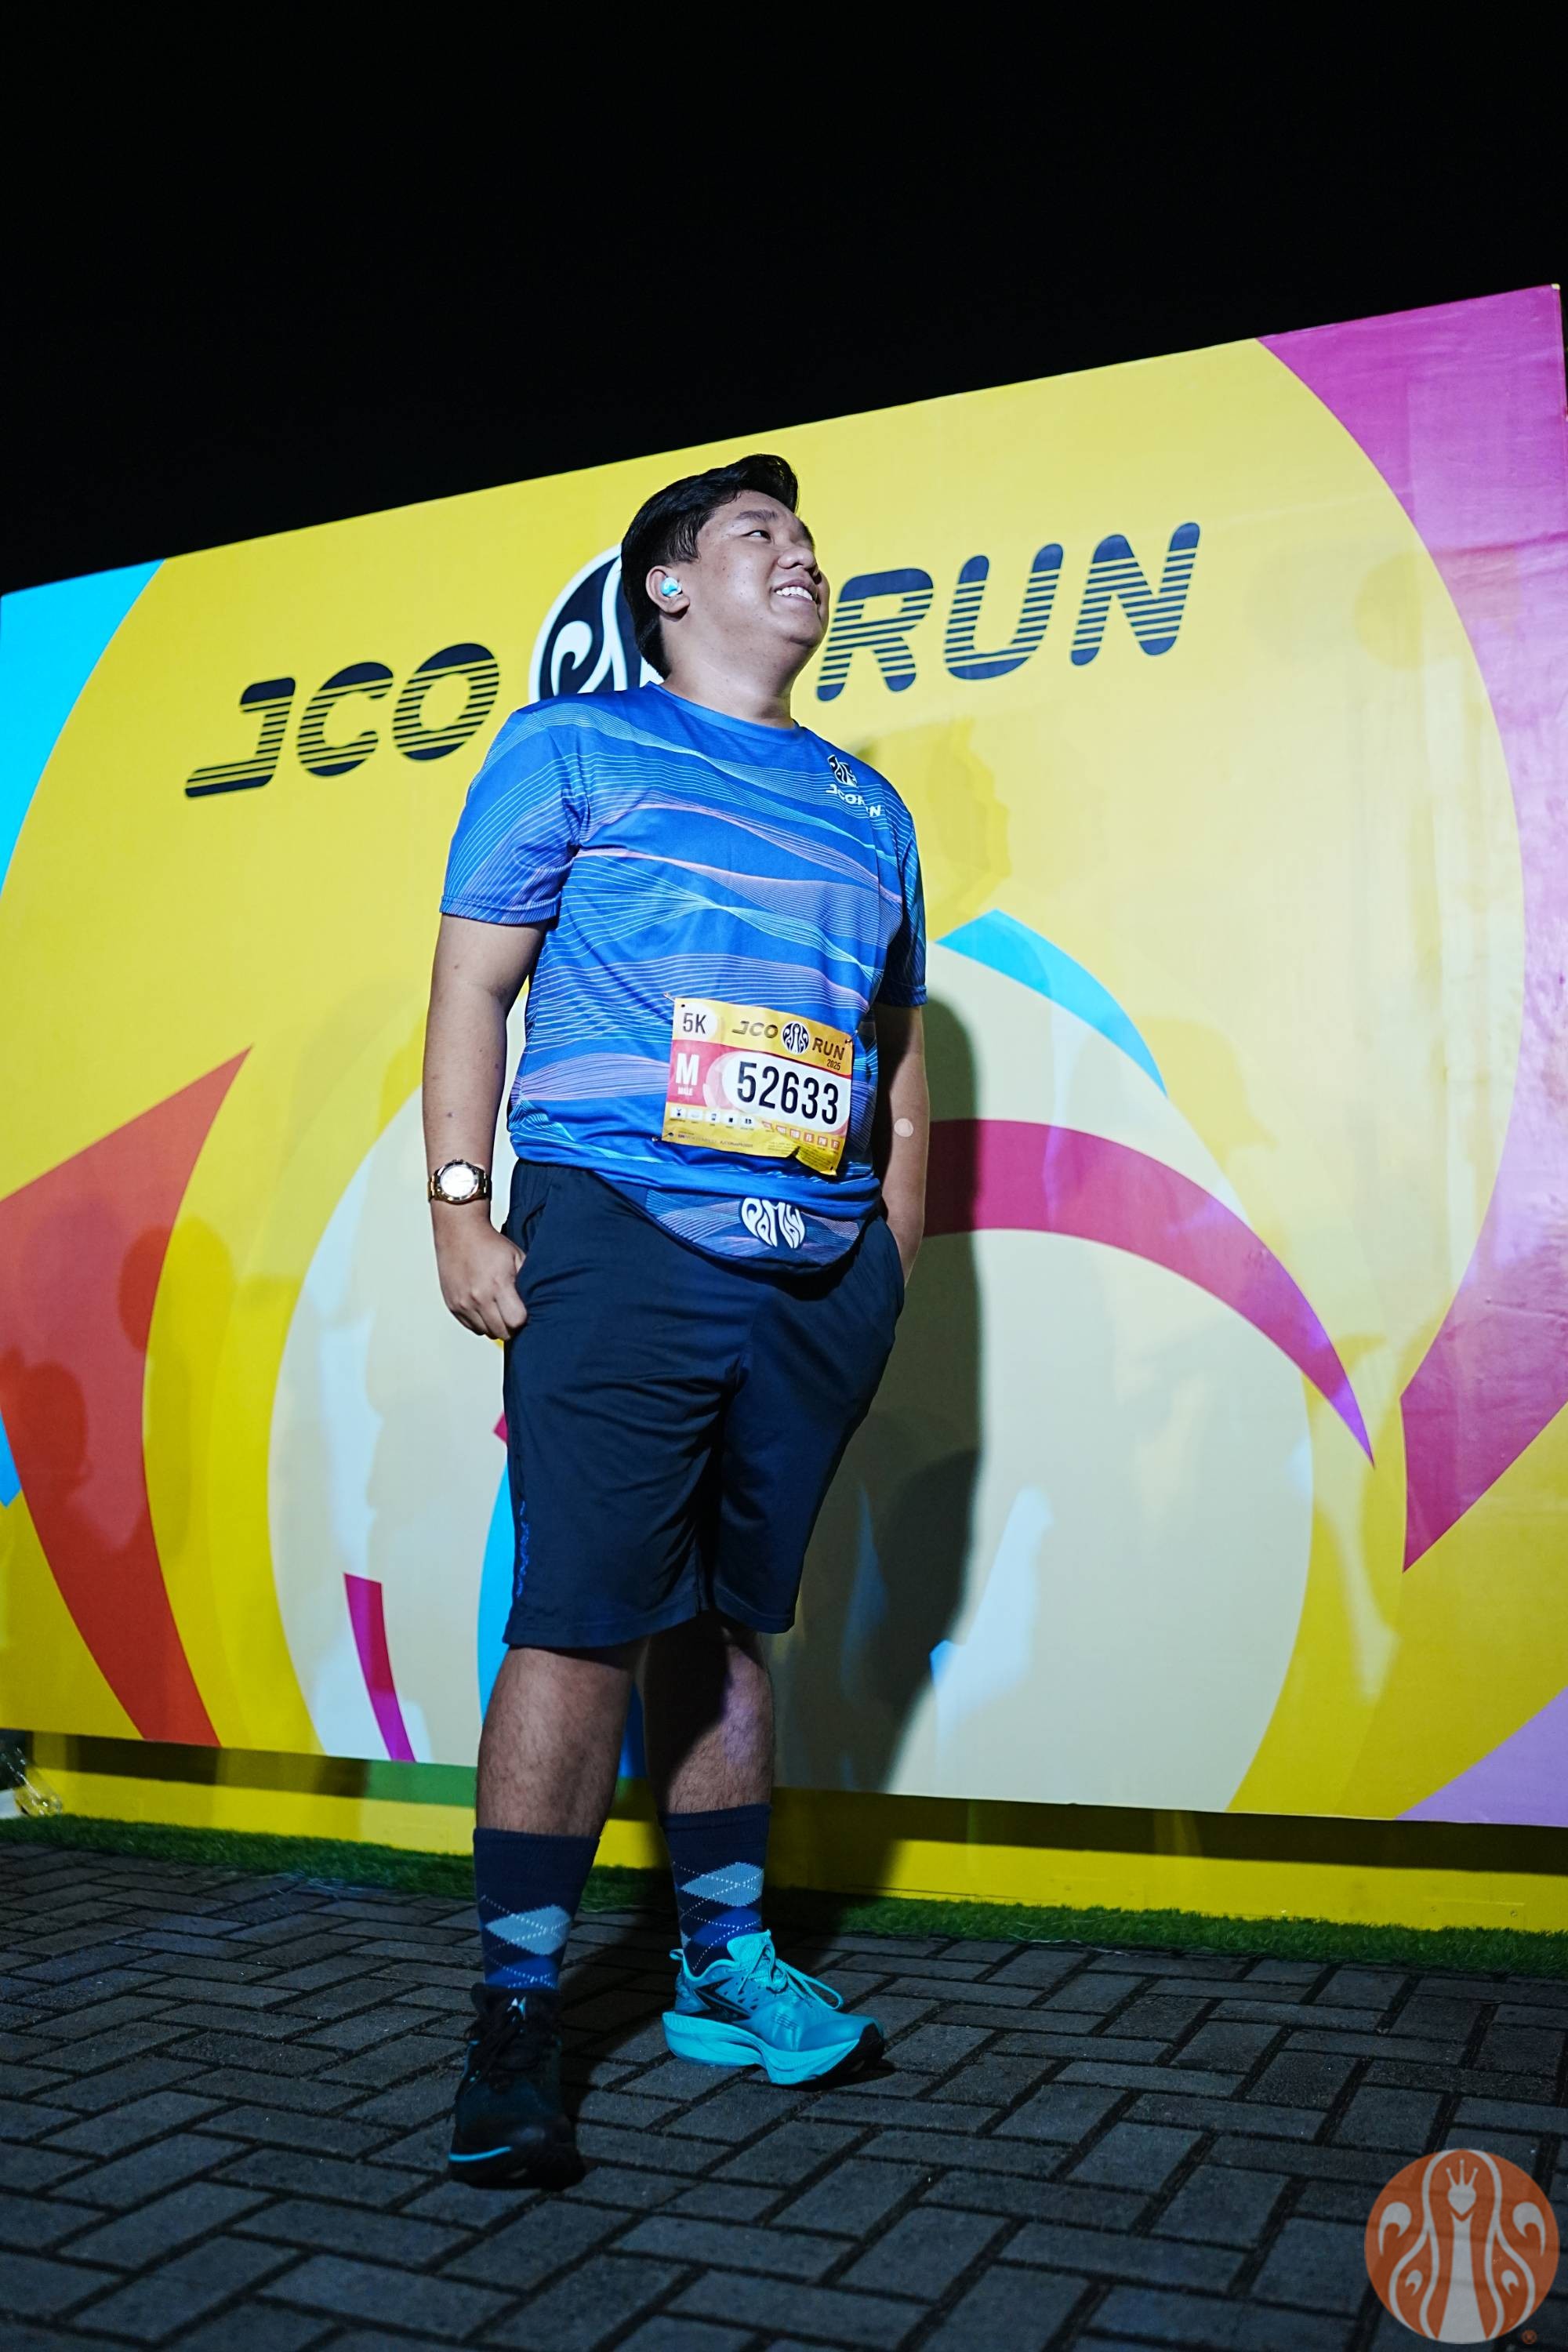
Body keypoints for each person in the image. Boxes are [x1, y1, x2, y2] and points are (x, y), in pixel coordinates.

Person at [423, 453, 928, 2187]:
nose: (798, 555)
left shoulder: (866, 803)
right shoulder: (571, 748)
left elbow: (893, 1050)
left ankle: (724, 1966)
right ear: (667, 585)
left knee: (725, 1625)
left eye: (804, 537)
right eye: (755, 535)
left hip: (815, 1265)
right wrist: (460, 1205)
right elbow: (475, 980)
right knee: (580, 1619)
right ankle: (515, 2014)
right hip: (620, 1224)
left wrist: (894, 1249)